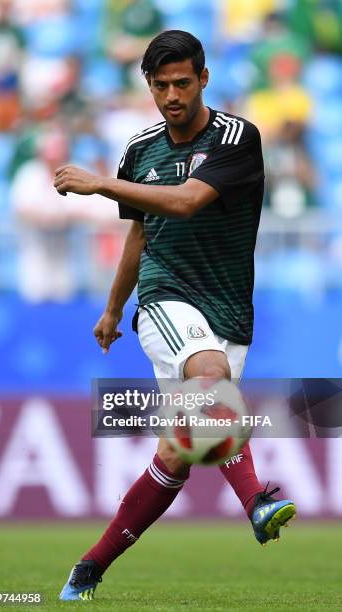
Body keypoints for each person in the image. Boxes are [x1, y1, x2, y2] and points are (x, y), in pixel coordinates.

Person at [55, 30, 296, 602]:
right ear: (148, 86)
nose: (171, 95)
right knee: (209, 376)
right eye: (160, 85)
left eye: (182, 83)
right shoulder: (141, 150)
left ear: (204, 78)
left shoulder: (238, 138)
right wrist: (115, 309)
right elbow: (140, 236)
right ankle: (258, 501)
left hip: (229, 306)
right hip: (165, 296)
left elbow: (187, 201)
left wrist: (98, 185)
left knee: (179, 451)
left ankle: (87, 567)